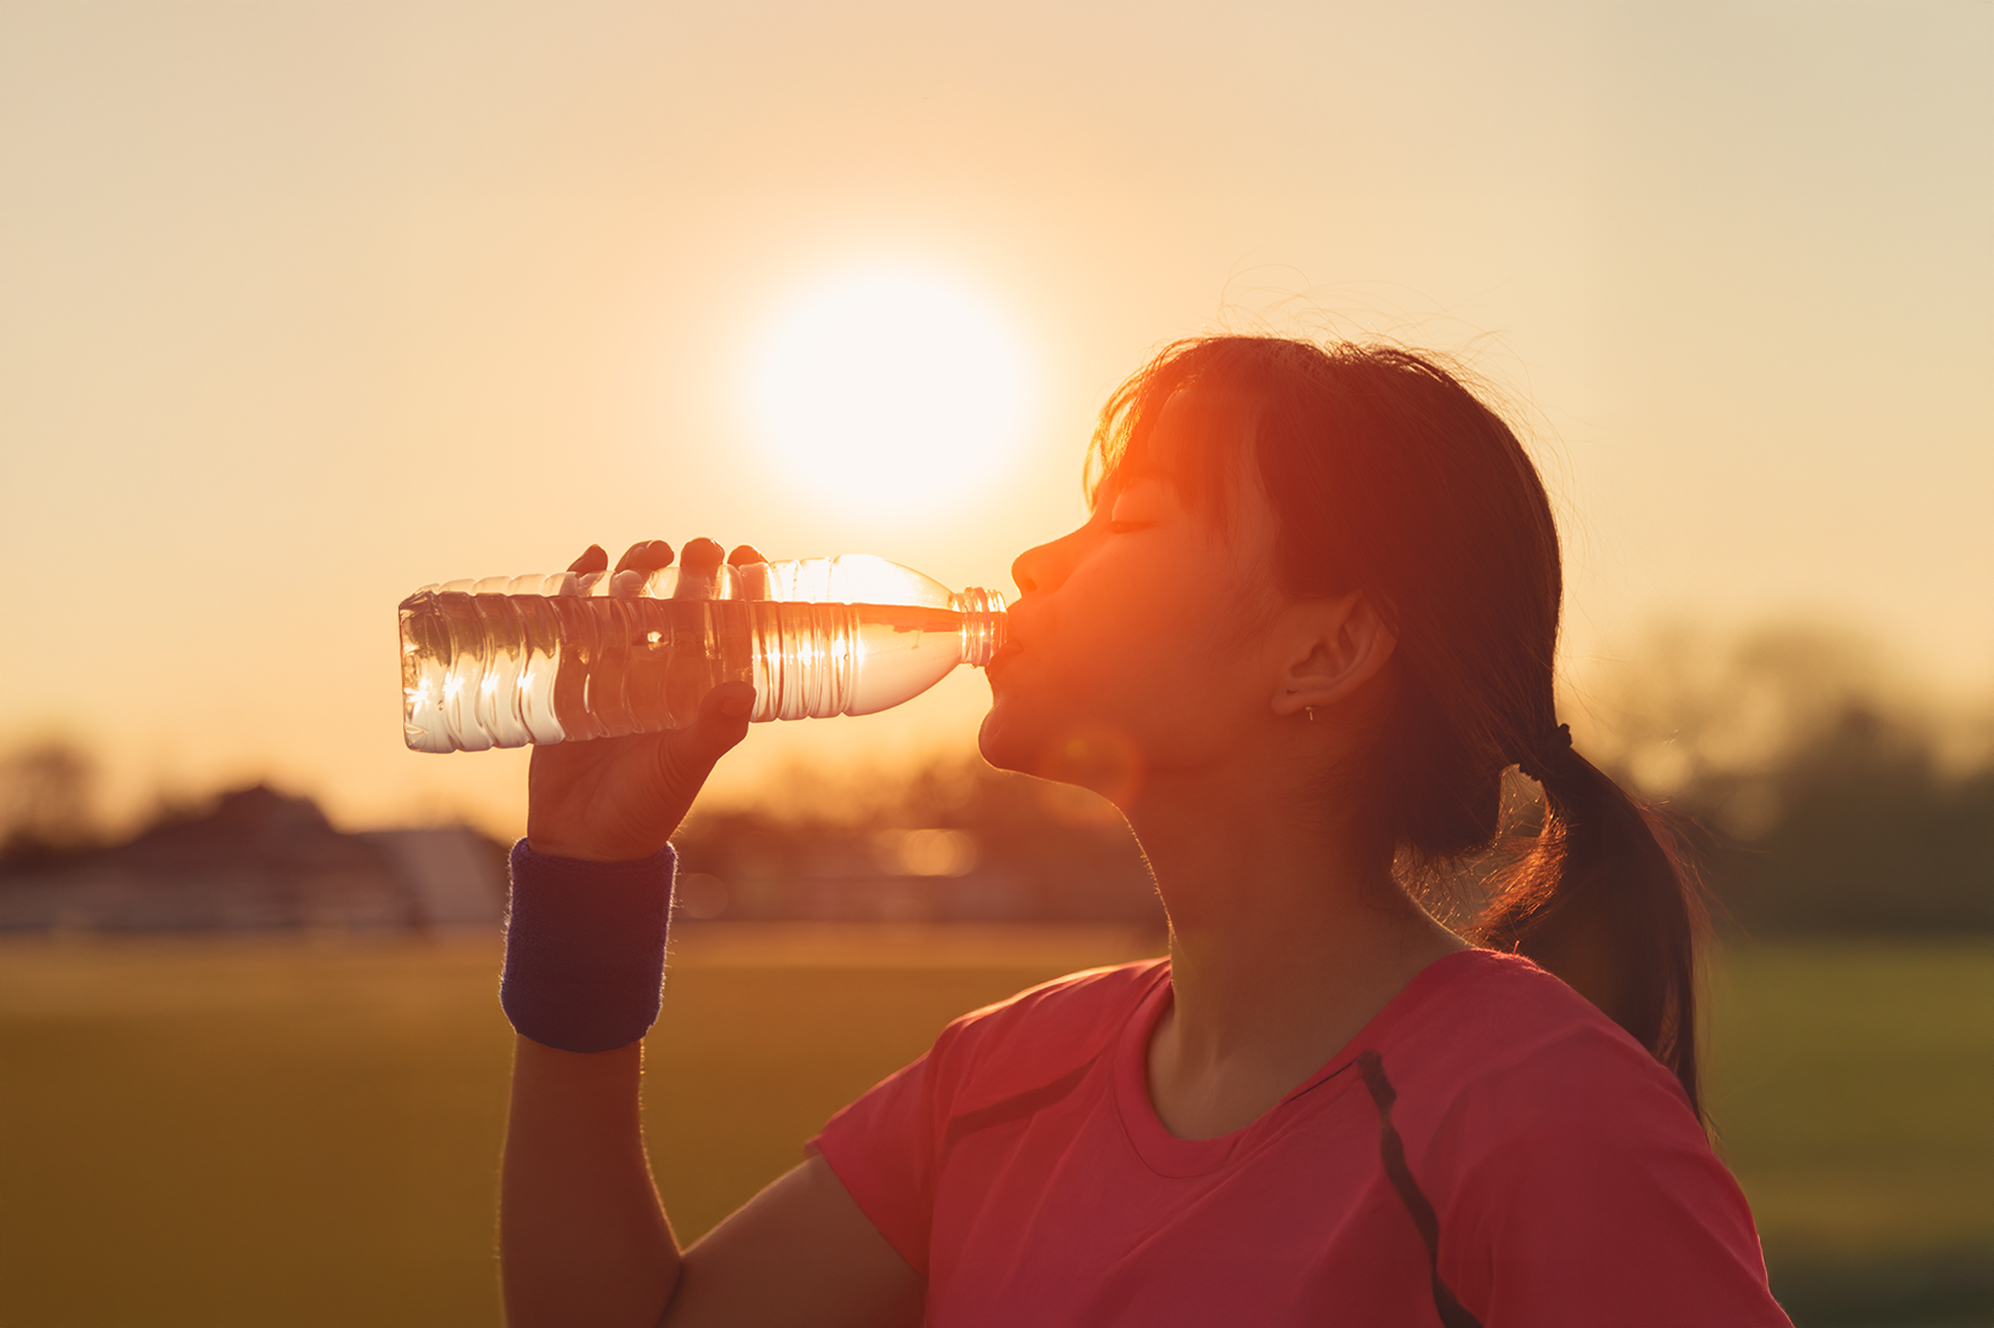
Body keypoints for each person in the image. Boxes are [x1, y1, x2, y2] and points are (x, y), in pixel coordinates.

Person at [497, 336, 1794, 1327]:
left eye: (1126, 520)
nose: (1032, 565)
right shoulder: (999, 1083)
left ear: (1324, 648)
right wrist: (589, 876)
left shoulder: (1542, 1118)